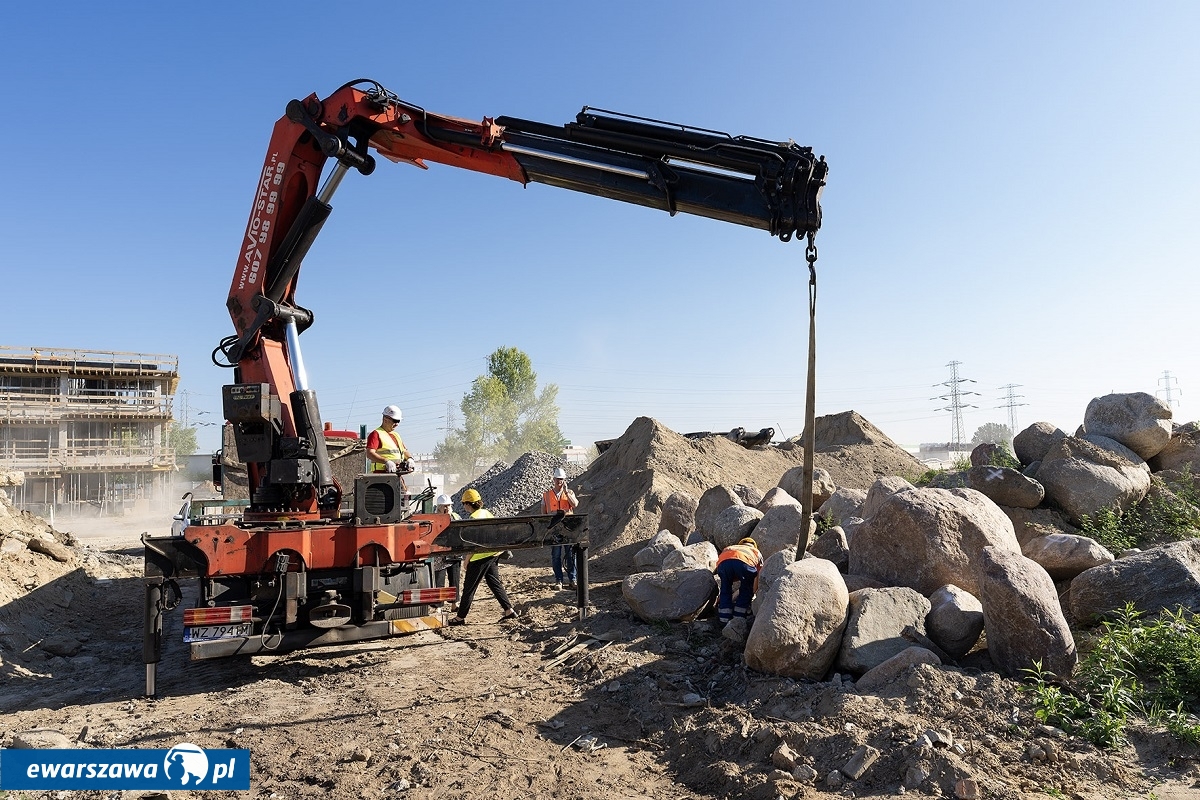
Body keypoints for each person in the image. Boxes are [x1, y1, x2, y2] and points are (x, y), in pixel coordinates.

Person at [449, 488, 517, 626]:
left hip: (479, 558)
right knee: (494, 583)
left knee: (469, 588)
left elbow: (472, 544)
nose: (463, 506)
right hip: (492, 554)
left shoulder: (474, 518)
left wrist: (466, 560)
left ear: (468, 504)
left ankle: (460, 617)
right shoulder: (486, 513)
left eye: (463, 504)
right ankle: (509, 610)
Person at [542, 467, 578, 590]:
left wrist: (567, 492)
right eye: (557, 479)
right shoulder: (546, 495)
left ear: (564, 480)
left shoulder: (570, 493)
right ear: (554, 479)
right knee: (556, 555)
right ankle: (559, 580)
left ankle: (573, 579)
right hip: (555, 529)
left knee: (570, 555)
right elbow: (544, 513)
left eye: (561, 479)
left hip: (568, 528)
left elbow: (575, 504)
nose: (559, 482)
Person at [715, 537, 763, 624]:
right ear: (754, 546)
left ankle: (724, 619)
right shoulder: (756, 551)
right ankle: (739, 617)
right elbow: (758, 575)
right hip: (744, 563)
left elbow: (720, 562)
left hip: (723, 564)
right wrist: (753, 592)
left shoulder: (731, 547)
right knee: (746, 588)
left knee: (725, 589)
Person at [365, 405, 410, 474]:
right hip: (381, 474)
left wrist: (410, 458)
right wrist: (386, 461)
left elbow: (404, 451)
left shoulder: (396, 435)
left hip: (396, 473)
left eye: (399, 421)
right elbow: (370, 453)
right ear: (385, 419)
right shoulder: (376, 434)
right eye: (395, 421)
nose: (397, 424)